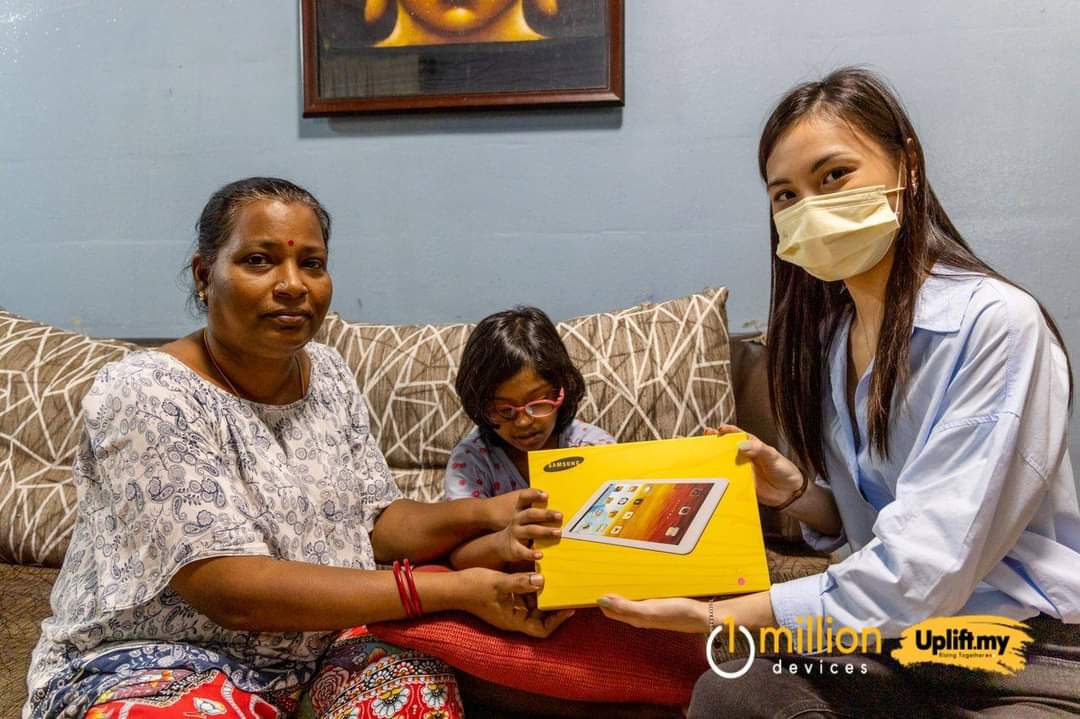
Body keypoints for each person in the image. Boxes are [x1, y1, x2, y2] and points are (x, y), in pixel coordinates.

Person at [594, 68, 1080, 717]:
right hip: (888, 646)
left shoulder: (996, 322)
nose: (810, 209)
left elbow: (922, 569)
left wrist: (720, 615)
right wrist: (797, 492)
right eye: (786, 195)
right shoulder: (829, 344)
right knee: (732, 691)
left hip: (1010, 650)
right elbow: (875, 525)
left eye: (833, 176)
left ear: (906, 165)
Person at [24, 177, 571, 719]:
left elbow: (376, 522)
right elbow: (232, 591)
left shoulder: (329, 372)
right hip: (159, 663)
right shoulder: (146, 392)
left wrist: (491, 513)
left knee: (412, 698)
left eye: (311, 263)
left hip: (325, 650)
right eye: (259, 261)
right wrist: (446, 591)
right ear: (203, 275)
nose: (293, 284)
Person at [445, 306, 614, 569]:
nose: (524, 422)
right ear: (479, 406)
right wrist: (502, 543)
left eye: (538, 402)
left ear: (563, 389)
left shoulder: (591, 448)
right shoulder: (472, 461)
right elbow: (459, 557)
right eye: (504, 410)